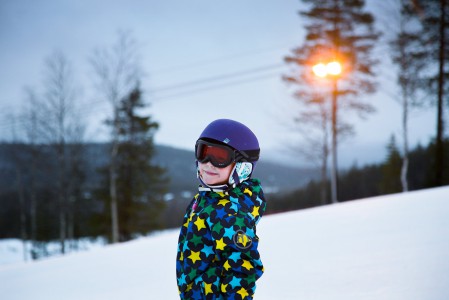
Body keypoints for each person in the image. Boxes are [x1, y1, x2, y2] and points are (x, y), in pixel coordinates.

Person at [176, 119, 267, 300]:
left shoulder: (229, 212)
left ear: (242, 167)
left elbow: (243, 268)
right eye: (204, 153)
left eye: (220, 158)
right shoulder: (207, 198)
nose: (208, 163)